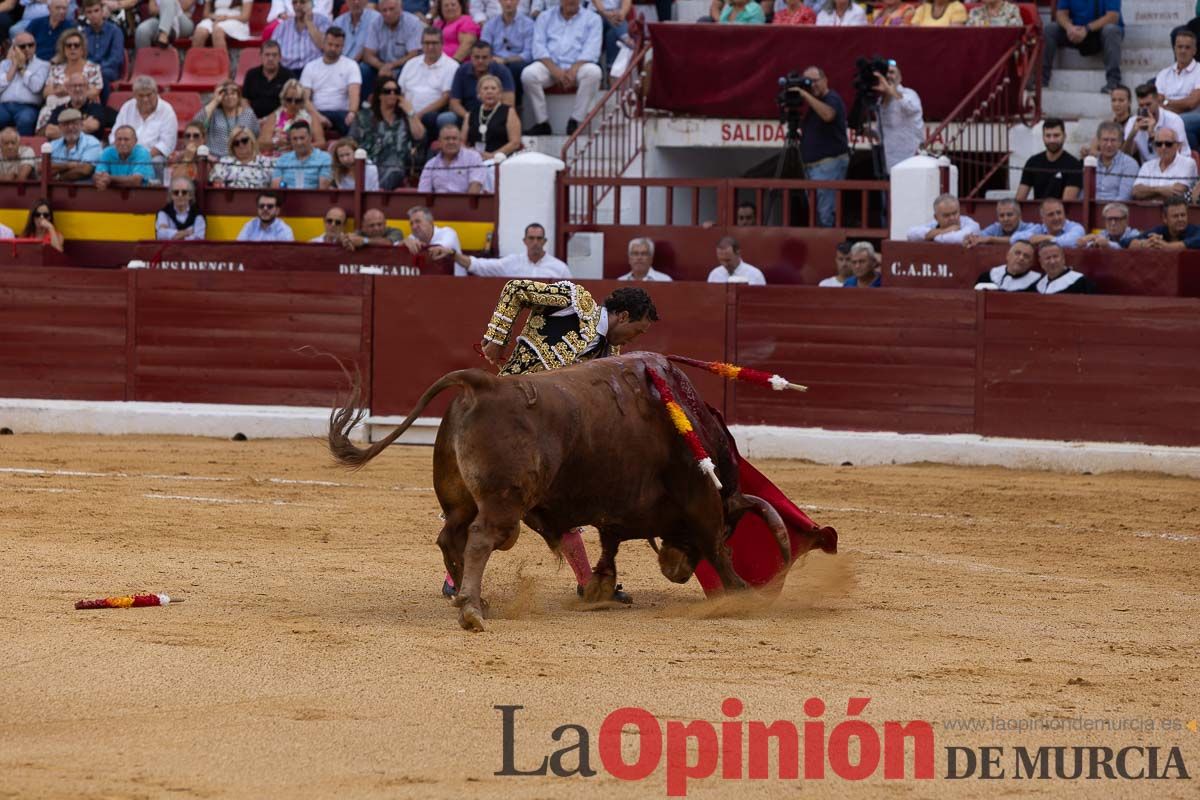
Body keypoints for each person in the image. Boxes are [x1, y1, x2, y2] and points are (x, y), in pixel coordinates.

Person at [436, 280, 659, 603]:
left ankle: (588, 584)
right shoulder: (574, 300)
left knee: (563, 507)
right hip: (507, 423)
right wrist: (496, 340)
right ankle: (454, 577)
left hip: (554, 439)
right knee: (489, 499)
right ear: (623, 316)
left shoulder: (608, 356)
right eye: (637, 331)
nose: (635, 339)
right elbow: (515, 290)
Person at [522, 0, 601, 136]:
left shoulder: (593, 18)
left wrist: (573, 70)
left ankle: (576, 120)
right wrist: (556, 71)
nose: (571, 1)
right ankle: (542, 122)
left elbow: (591, 50)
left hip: (578, 67)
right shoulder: (544, 17)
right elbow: (538, 47)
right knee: (528, 74)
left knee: (594, 72)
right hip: (550, 67)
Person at [795, 65, 849, 227]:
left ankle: (830, 250)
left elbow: (828, 115)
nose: (812, 85)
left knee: (825, 214)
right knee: (816, 214)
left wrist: (805, 95)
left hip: (828, 165)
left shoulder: (832, 98)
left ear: (825, 80)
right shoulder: (814, 105)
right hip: (812, 168)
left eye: (815, 81)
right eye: (807, 82)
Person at [350, 75, 424, 190]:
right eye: (387, 91)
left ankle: (375, 194)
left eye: (396, 91)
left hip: (398, 165)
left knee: (394, 170)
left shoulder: (404, 117)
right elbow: (351, 142)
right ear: (379, 95)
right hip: (370, 165)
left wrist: (410, 111)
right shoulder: (363, 117)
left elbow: (419, 136)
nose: (392, 94)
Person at [1043, 0, 1123, 93]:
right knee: (1050, 29)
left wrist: (1087, 29)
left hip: (1099, 33)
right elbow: (1061, 14)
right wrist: (1069, 27)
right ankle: (1042, 80)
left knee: (1111, 30)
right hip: (1076, 32)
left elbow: (1113, 17)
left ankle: (1113, 82)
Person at [438, 221, 569, 277]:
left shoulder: (559, 268)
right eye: (531, 238)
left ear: (544, 241)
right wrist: (453, 255)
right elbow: (479, 265)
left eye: (539, 239)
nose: (535, 242)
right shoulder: (512, 262)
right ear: (525, 241)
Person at [398, 25, 460, 143]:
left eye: (434, 43)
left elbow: (446, 97)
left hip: (431, 115)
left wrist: (418, 115)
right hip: (406, 112)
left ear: (442, 44)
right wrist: (409, 112)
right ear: (421, 44)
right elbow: (400, 92)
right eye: (426, 43)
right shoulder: (411, 64)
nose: (430, 47)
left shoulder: (452, 66)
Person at [301, 27, 362, 136]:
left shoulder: (351, 65)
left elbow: (354, 93)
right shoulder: (310, 67)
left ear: (343, 47)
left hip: (342, 113)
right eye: (330, 44)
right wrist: (318, 117)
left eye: (337, 46)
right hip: (317, 111)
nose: (333, 48)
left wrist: (352, 112)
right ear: (324, 43)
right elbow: (305, 99)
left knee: (355, 123)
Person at [112, 76, 178, 168]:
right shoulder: (127, 107)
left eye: (149, 95)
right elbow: (114, 134)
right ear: (134, 95)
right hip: (124, 153)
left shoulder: (167, 111)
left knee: (156, 162)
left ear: (156, 93)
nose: (145, 99)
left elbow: (166, 144)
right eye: (141, 96)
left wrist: (141, 158)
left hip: (152, 156)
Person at [42, 28, 101, 129]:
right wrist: (68, 91)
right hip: (54, 106)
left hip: (80, 107)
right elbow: (46, 92)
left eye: (76, 45)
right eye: (68, 46)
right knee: (45, 113)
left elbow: (94, 92)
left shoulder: (93, 68)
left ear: (82, 49)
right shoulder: (56, 69)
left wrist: (66, 91)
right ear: (64, 49)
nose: (72, 48)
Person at [874, 59, 923, 174]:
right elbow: (881, 135)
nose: (888, 76)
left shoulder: (909, 94)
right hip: (890, 165)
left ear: (900, 77)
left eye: (892, 72)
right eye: (885, 73)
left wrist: (891, 91)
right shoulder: (880, 102)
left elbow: (910, 107)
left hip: (910, 163)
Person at [1015, 118, 1083, 201]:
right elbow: (1019, 199)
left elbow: (1067, 203)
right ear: (1043, 137)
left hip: (1060, 213)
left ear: (1064, 136)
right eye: (1048, 136)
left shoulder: (1074, 165)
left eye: (1056, 135)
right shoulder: (1032, 162)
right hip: (1037, 212)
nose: (1052, 140)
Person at [480, 0, 534, 104]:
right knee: (485, 65)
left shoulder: (528, 24)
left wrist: (505, 60)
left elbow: (528, 54)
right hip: (495, 61)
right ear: (499, 1)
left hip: (517, 62)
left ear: (518, 1)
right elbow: (484, 48)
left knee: (514, 68)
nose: (508, 3)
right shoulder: (490, 24)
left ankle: (514, 106)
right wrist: (492, 59)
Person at [1126, 82, 1191, 164]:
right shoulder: (1133, 122)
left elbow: (1177, 153)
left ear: (1157, 100)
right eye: (1141, 106)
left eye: (1148, 104)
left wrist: (1153, 134)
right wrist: (1132, 134)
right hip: (1149, 168)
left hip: (1178, 165)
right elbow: (1126, 155)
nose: (1145, 109)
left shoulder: (1174, 120)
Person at [449, 40, 514, 122]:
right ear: (471, 57)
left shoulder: (502, 71)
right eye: (476, 57)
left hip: (495, 116)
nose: (480, 61)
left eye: (484, 57)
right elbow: (454, 103)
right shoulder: (462, 71)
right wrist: (468, 117)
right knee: (447, 118)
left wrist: (491, 119)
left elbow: (509, 102)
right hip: (467, 114)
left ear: (491, 58)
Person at [362, 0, 425, 82]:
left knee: (408, 69)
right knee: (364, 69)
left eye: (392, 9)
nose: (388, 13)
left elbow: (413, 54)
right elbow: (368, 55)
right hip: (380, 66)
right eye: (384, 10)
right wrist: (382, 66)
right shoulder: (375, 24)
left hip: (403, 65)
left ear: (400, 8)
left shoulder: (413, 23)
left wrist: (391, 66)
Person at [0, 33, 50, 135]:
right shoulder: (5, 64)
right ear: (14, 48)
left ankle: (24, 149)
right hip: (4, 105)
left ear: (35, 46)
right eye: (22, 46)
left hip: (27, 107)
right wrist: (14, 67)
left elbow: (36, 87)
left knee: (25, 120)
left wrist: (22, 69)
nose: (27, 49)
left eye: (30, 45)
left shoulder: (43, 65)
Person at [195, 80, 260, 158]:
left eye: (233, 93)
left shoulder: (248, 114)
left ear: (238, 95)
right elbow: (196, 125)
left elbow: (255, 135)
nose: (229, 97)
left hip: (240, 159)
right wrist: (215, 101)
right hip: (215, 158)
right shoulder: (213, 113)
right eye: (225, 94)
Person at [461, 73, 519, 160]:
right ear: (479, 93)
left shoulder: (509, 111)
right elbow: (462, 142)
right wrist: (471, 154)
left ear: (500, 93)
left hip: (500, 160)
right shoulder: (470, 114)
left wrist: (493, 155)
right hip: (474, 160)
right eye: (485, 88)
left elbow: (515, 142)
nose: (489, 91)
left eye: (493, 88)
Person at [38, 70, 112, 138]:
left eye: (81, 85)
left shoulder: (96, 108)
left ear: (87, 88)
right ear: (68, 89)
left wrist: (62, 128)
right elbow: (49, 131)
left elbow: (92, 126)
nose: (77, 89)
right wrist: (82, 126)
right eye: (74, 86)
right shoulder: (60, 109)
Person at [1159, 28, 1200, 152]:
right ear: (1174, 49)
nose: (1183, 51)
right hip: (1167, 117)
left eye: (1187, 47)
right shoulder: (1163, 74)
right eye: (1179, 47)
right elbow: (1157, 102)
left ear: (1194, 50)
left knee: (1180, 122)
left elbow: (1192, 103)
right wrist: (1181, 103)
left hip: (1195, 117)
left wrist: (1167, 102)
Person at [1132, 128, 1198, 202]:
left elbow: (1178, 192)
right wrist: (1161, 190)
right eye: (1159, 144)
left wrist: (1148, 192)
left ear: (1178, 146)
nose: (1163, 147)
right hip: (1149, 211)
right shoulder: (1147, 166)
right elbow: (1136, 191)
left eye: (1168, 144)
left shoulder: (1188, 163)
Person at [260, 78, 327, 151]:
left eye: (297, 101)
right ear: (284, 99)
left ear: (302, 101)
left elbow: (321, 143)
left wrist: (298, 146)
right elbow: (262, 143)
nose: (293, 104)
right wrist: (276, 143)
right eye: (289, 100)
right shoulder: (274, 117)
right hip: (278, 155)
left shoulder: (311, 118)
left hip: (303, 155)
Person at [418, 123, 486, 193]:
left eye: (454, 138)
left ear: (460, 141)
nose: (451, 142)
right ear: (439, 142)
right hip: (438, 203)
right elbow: (423, 193)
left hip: (466, 202)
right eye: (447, 139)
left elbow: (475, 188)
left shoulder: (473, 158)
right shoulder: (430, 165)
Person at [270, 0, 330, 70]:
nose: (298, 5)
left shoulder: (323, 21)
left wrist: (309, 22)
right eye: (295, 2)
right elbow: (272, 53)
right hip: (288, 72)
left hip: (315, 71)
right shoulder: (282, 27)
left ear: (311, 4)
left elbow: (324, 46)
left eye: (302, 2)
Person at [243, 41, 296, 120]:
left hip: (279, 120)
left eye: (274, 55)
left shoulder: (288, 76)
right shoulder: (251, 74)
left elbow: (290, 104)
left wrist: (268, 120)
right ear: (261, 56)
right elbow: (244, 100)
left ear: (280, 57)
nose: (271, 58)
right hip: (254, 120)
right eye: (267, 55)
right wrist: (252, 119)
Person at [333, 0, 380, 87]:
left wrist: (350, 66)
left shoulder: (376, 18)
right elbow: (333, 46)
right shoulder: (338, 22)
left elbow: (369, 47)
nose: (356, 2)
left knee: (363, 69)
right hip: (340, 64)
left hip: (362, 63)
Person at [272, 121, 333, 188]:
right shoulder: (283, 159)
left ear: (310, 137)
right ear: (290, 140)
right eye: (295, 139)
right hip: (287, 197)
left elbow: (323, 190)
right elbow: (276, 187)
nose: (299, 143)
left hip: (313, 197)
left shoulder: (324, 158)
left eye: (302, 138)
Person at [78, 0, 122, 92]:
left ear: (102, 11)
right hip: (87, 70)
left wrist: (95, 70)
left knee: (102, 75)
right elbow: (80, 57)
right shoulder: (83, 34)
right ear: (85, 14)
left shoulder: (115, 31)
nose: (93, 15)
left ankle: (103, 105)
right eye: (89, 12)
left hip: (108, 70)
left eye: (96, 11)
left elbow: (116, 58)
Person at [48, 107, 101, 181]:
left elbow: (84, 170)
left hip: (82, 186)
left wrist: (58, 177)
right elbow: (41, 168)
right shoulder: (53, 144)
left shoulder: (92, 142)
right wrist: (69, 165)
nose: (70, 127)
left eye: (74, 123)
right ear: (60, 127)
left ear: (81, 125)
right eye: (66, 124)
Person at [1129, 195, 1200, 250]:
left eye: (1183, 215)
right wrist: (1144, 244)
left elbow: (1197, 241)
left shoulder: (1195, 230)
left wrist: (1168, 246)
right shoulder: (1159, 231)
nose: (1180, 219)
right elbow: (1126, 242)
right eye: (1175, 216)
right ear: (1165, 218)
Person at [94, 124, 156, 189]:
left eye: (126, 139)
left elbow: (136, 181)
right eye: (119, 139)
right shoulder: (107, 152)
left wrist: (109, 178)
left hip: (141, 194)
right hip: (113, 194)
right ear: (114, 141)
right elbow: (97, 175)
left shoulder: (143, 153)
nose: (122, 143)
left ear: (135, 141)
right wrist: (99, 179)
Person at [905, 193, 980, 244]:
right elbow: (911, 233)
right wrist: (945, 230)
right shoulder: (934, 224)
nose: (952, 218)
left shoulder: (970, 224)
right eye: (946, 215)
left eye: (955, 213)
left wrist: (932, 235)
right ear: (936, 217)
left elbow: (957, 238)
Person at [1092, 120, 1138, 202]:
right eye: (1105, 140)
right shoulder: (1091, 163)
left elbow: (1124, 197)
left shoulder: (1129, 164)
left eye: (1113, 140)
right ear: (1098, 141)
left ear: (1120, 142)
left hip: (1116, 211)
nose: (1109, 144)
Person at [1011, 197, 1086, 248]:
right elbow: (1014, 238)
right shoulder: (1040, 228)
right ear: (1042, 219)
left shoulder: (1075, 227)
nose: (1056, 218)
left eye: (1059, 213)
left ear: (1064, 214)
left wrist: (1048, 238)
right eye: (1051, 214)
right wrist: (1031, 238)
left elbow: (1070, 241)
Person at [963, 198, 1035, 247]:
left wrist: (991, 239)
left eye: (1009, 215)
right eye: (1001, 215)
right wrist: (970, 239)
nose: (1005, 219)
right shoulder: (995, 228)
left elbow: (1023, 239)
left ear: (1019, 216)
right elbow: (979, 237)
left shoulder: (1030, 228)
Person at [973, 240, 1040, 292]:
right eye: (1017, 253)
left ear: (1031, 263)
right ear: (1008, 255)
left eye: (1026, 256)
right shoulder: (986, 277)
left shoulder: (1038, 283)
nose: (1021, 258)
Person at [136, 0, 201, 49]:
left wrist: (168, 7)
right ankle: (145, 64)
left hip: (183, 21)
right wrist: (166, 10)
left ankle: (164, 35)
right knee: (142, 31)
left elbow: (184, 6)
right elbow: (152, 10)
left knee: (168, 1)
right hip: (160, 20)